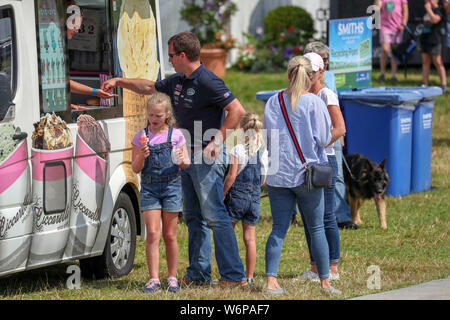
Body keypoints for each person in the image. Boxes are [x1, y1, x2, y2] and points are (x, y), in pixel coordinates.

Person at [102, 32, 248, 287]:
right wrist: (119, 81)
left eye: (170, 55)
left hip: (205, 155)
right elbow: (149, 87)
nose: (168, 60)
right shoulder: (178, 80)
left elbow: (237, 110)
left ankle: (233, 276)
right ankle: (198, 274)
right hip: (183, 154)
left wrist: (218, 141)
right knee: (193, 216)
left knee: (214, 215)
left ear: (182, 55)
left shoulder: (209, 81)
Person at [263, 55, 341, 295]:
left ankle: (271, 281)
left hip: (278, 175)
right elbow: (323, 138)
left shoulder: (272, 101)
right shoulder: (314, 102)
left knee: (278, 228)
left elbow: (268, 137)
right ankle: (326, 282)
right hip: (307, 174)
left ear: (288, 75)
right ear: (310, 77)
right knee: (317, 228)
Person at [131, 92, 190, 293]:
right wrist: (142, 154)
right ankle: (154, 279)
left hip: (172, 187)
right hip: (149, 188)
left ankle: (172, 277)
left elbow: (186, 164)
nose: (154, 119)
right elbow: (135, 168)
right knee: (153, 233)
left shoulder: (176, 135)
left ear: (167, 114)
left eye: (158, 115)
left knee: (170, 235)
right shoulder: (141, 137)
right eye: (151, 115)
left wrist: (181, 157)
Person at [297, 52, 345, 282]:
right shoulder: (301, 94)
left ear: (321, 72)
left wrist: (318, 145)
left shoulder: (326, 94)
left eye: (312, 72)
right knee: (309, 215)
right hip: (306, 162)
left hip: (324, 161)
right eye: (304, 71)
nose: (308, 76)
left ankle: (332, 267)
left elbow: (340, 128)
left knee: (326, 216)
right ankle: (315, 267)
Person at [303, 42, 358, 230]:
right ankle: (306, 213)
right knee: (308, 177)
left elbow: (335, 105)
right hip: (311, 138)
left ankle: (342, 216)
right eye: (323, 60)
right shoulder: (301, 80)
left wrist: (339, 134)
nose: (326, 64)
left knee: (337, 176)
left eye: (327, 60)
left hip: (331, 134)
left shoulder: (331, 77)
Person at [223, 112, 268, 285]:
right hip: (254, 199)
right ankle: (249, 277)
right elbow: (264, 179)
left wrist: (223, 193)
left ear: (242, 130)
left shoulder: (237, 150)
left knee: (228, 236)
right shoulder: (263, 152)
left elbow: (231, 176)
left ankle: (232, 273)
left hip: (236, 198)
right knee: (250, 239)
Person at [374, 0, 409, 82]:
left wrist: (403, 24)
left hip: (397, 28)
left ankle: (393, 76)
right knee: (385, 50)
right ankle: (382, 74)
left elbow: (405, 10)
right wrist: (377, 4)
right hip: (385, 27)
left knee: (395, 52)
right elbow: (376, 8)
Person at [420, 0, 448, 91]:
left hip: (435, 39)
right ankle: (425, 83)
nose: (428, 1)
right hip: (425, 38)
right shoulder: (425, 8)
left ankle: (444, 84)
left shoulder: (439, 9)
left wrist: (429, 10)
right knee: (425, 61)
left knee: (437, 61)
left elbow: (435, 20)